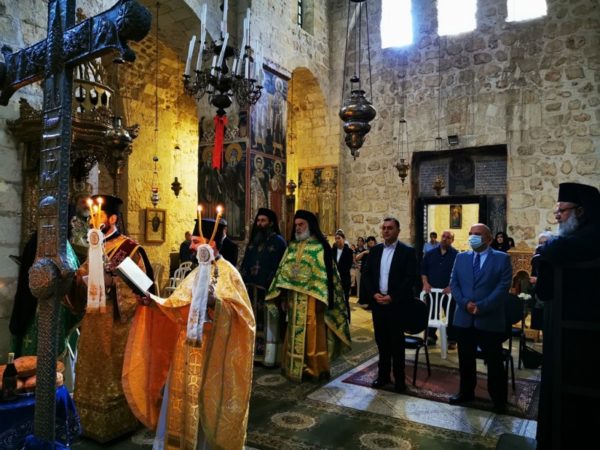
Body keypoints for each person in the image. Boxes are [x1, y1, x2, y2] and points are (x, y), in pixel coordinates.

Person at [123, 217, 255, 450]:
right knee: (178, 403)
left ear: (211, 244)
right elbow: (177, 306)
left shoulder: (229, 273)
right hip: (185, 353)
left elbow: (245, 320)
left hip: (211, 358)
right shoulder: (195, 273)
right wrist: (152, 302)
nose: (191, 247)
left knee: (203, 406)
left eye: (196, 242)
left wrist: (216, 304)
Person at [69, 195, 157, 442]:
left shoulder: (128, 248)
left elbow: (143, 287)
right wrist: (73, 280)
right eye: (91, 216)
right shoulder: (95, 246)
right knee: (89, 365)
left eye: (98, 215)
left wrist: (113, 283)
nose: (92, 221)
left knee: (113, 370)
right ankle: (85, 422)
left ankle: (119, 423)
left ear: (113, 219)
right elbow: (82, 277)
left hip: (117, 322)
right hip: (93, 320)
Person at [533, 182, 600, 450]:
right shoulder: (579, 235)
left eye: (561, 211)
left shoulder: (591, 234)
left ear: (580, 211)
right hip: (567, 326)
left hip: (581, 331)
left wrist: (547, 246)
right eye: (556, 212)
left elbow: (554, 252)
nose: (558, 216)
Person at [265, 210, 351, 382]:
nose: (297, 228)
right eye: (296, 225)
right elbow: (282, 272)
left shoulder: (320, 248)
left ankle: (314, 368)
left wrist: (326, 299)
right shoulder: (292, 247)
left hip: (313, 300)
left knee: (313, 332)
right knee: (292, 332)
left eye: (301, 224)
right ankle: (292, 367)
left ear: (310, 226)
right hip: (293, 299)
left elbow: (330, 277)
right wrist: (282, 296)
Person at [448, 223, 512, 414]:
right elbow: (454, 283)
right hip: (464, 317)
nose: (472, 237)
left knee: (494, 362)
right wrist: (465, 303)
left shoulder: (502, 258)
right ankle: (466, 392)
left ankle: (498, 400)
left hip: (489, 319)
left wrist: (482, 306)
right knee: (465, 359)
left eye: (477, 234)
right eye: (470, 234)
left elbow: (503, 287)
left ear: (489, 239)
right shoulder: (461, 257)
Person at [363, 217, 418, 393]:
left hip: (397, 305)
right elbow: (367, 275)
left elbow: (410, 279)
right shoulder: (375, 250)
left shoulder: (407, 252)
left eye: (390, 228)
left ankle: (400, 380)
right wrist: (374, 294)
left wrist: (392, 297)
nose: (386, 231)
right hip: (378, 304)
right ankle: (383, 376)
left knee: (397, 344)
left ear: (398, 231)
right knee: (382, 342)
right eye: (384, 228)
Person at [240, 208, 287, 366]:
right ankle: (253, 355)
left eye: (263, 221)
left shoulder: (279, 242)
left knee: (270, 325)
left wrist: (277, 289)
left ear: (271, 223)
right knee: (252, 322)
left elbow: (282, 267)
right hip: (252, 291)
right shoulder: (254, 241)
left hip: (269, 292)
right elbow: (246, 263)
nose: (259, 224)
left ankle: (270, 357)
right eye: (258, 220)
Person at [421, 230, 459, 349]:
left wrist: (451, 286)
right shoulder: (430, 254)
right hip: (432, 290)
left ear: (452, 240)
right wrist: (425, 283)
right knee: (431, 313)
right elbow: (423, 270)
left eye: (448, 237)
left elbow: (459, 274)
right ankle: (431, 336)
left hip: (449, 292)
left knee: (451, 315)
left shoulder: (457, 255)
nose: (445, 239)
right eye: (443, 236)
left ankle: (452, 338)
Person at [333, 229, 354, 320]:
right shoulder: (333, 250)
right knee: (335, 301)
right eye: (336, 238)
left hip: (344, 279)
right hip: (334, 280)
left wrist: (337, 272)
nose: (337, 240)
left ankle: (347, 320)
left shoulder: (349, 251)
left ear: (344, 239)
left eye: (339, 238)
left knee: (345, 300)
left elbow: (347, 266)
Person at [356, 236, 377, 308]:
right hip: (365, 273)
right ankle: (368, 303)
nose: (371, 241)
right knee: (366, 289)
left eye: (372, 240)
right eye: (369, 240)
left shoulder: (378, 250)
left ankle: (373, 304)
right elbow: (357, 258)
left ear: (375, 242)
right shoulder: (365, 251)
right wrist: (364, 252)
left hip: (374, 274)